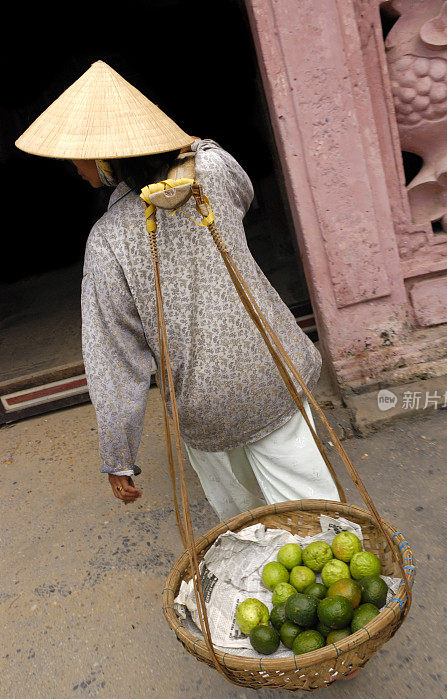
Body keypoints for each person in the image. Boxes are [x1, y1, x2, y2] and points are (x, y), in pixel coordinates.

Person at [16, 61, 339, 521]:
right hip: (276, 366)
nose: (74, 165)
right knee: (323, 519)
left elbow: (114, 357)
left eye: (79, 153)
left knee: (250, 524)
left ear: (108, 158)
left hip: (202, 402)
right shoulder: (212, 168)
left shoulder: (108, 239)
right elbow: (237, 191)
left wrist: (118, 454)